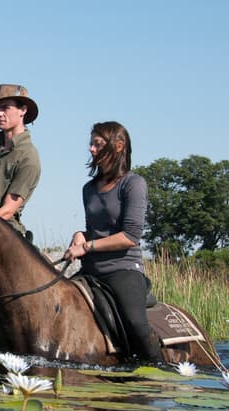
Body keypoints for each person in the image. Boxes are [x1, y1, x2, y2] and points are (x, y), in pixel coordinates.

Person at [63, 121, 161, 361]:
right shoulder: (89, 188)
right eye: (91, 144)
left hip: (122, 270)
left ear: (118, 146)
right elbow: (94, 230)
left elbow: (130, 236)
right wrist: (80, 236)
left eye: (97, 144)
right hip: (89, 271)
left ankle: (159, 370)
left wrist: (87, 246)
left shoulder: (133, 184)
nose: (91, 149)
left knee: (135, 323)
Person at [0, 84, 41, 241]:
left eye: (5, 108)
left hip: (6, 234)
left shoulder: (29, 156)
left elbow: (8, 210)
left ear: (23, 110)